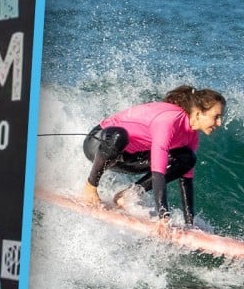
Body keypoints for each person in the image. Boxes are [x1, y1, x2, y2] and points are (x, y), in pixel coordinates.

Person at [82, 86, 225, 226]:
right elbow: (158, 172)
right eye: (216, 117)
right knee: (119, 136)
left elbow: (186, 181)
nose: (219, 123)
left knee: (187, 158)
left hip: (127, 158)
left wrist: (190, 223)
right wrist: (163, 217)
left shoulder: (192, 136)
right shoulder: (169, 122)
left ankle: (128, 195)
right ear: (198, 114)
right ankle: (90, 187)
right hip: (98, 145)